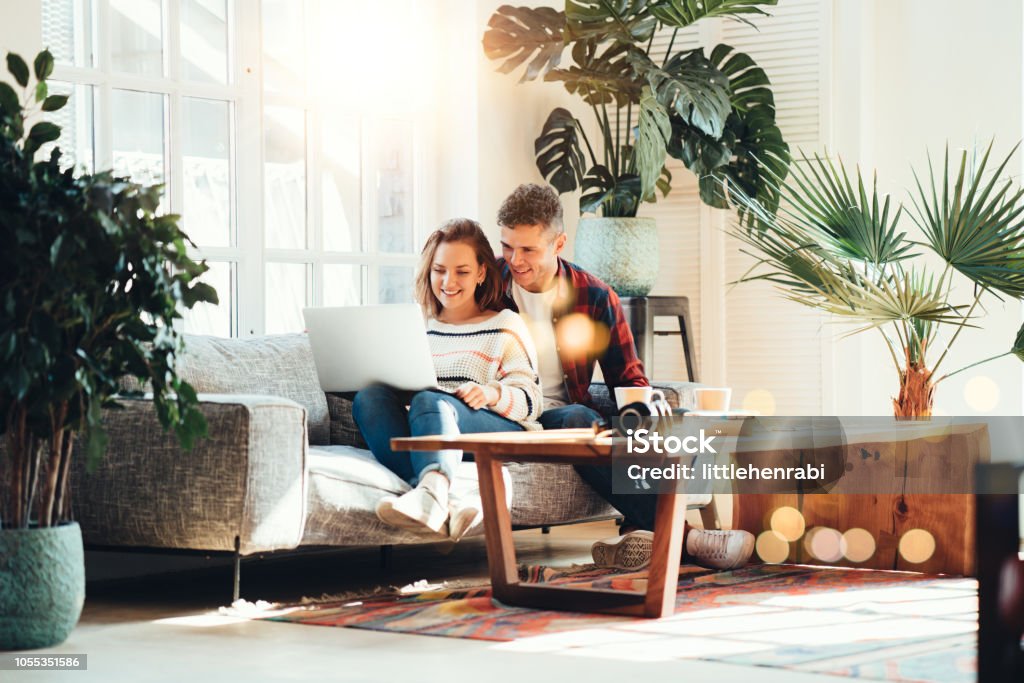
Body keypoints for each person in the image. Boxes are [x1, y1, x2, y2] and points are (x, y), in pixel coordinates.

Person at [495, 183, 754, 570]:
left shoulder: (594, 297)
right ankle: (684, 538)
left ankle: (644, 531)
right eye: (506, 246)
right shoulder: (485, 285)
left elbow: (628, 381)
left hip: (554, 419)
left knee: (585, 421)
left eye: (528, 249)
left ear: (559, 243)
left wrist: (642, 427)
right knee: (584, 420)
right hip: (499, 415)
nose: (515, 260)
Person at [352, 218, 542, 541]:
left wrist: (491, 392)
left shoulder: (506, 325)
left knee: (431, 399)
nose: (448, 281)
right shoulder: (420, 325)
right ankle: (442, 500)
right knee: (368, 398)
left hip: (493, 426)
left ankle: (433, 494)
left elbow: (531, 401)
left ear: (482, 273)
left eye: (462, 271)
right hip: (432, 428)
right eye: (439, 270)